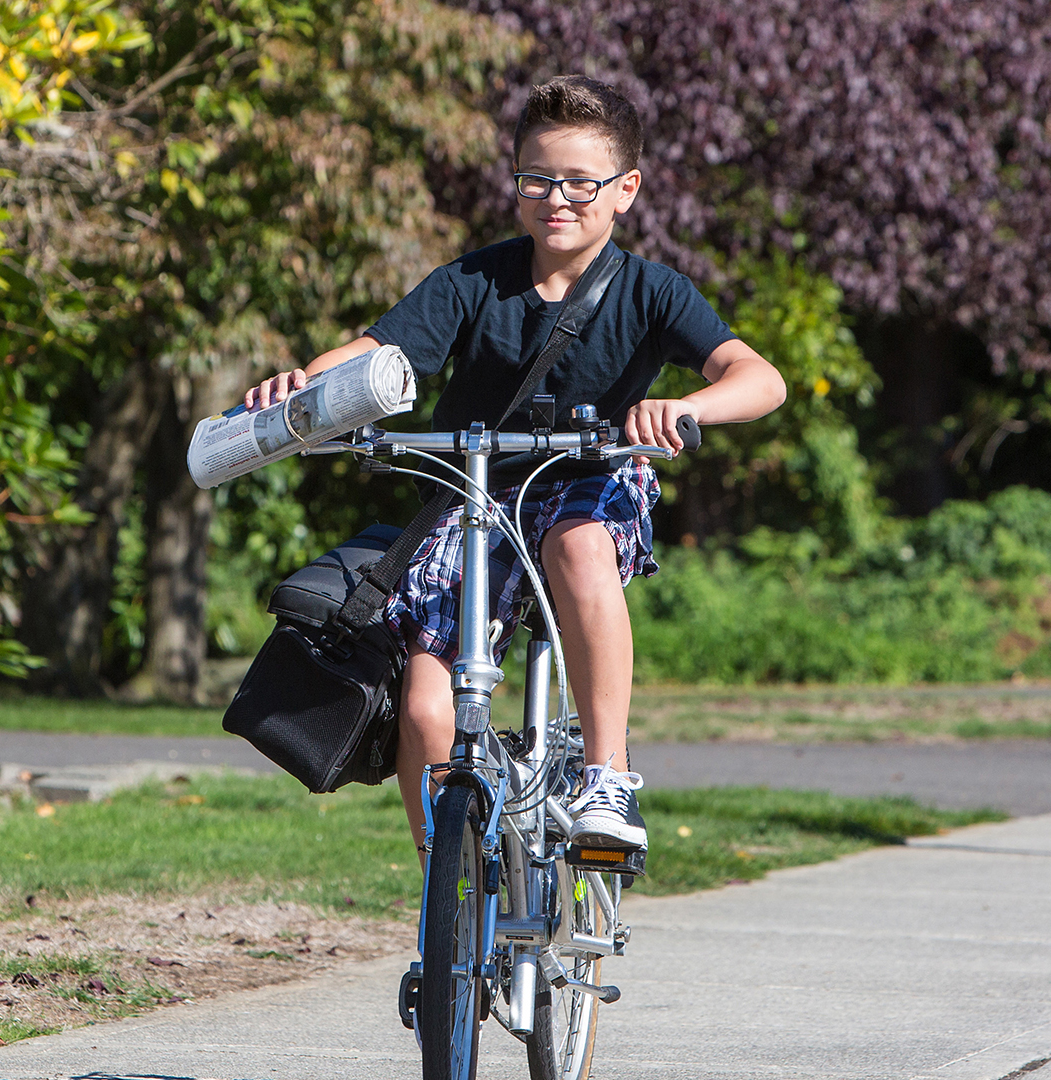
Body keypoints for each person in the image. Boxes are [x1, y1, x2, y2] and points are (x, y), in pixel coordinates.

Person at [246, 75, 785, 855]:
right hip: (475, 499)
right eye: (537, 179)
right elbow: (377, 353)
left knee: (576, 545)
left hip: (590, 483)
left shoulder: (653, 291)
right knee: (429, 712)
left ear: (625, 190)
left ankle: (606, 777)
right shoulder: (474, 281)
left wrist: (686, 408)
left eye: (580, 182)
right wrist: (307, 381)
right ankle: (450, 904)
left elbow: (759, 378)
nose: (556, 198)